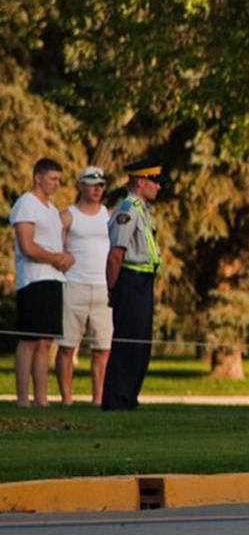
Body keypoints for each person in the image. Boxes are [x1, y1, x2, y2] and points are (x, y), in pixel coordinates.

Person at [101, 156, 165, 410]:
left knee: (140, 342)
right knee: (128, 341)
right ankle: (117, 399)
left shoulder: (141, 209)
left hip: (143, 280)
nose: (159, 186)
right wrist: (113, 289)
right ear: (141, 181)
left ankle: (128, 397)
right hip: (130, 279)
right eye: (155, 181)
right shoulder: (127, 210)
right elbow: (116, 254)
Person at [11, 157, 73, 408]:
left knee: (46, 342)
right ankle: (23, 398)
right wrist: (54, 258)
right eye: (52, 179)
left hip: (54, 279)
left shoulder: (51, 209)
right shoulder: (26, 204)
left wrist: (66, 257)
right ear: (38, 178)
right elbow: (27, 246)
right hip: (33, 279)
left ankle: (41, 398)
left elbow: (58, 244)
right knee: (29, 340)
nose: (57, 184)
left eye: (59, 179)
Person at [55, 167, 114, 406]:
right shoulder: (67, 216)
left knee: (103, 348)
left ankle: (98, 398)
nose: (97, 188)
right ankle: (67, 398)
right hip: (74, 285)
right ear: (80, 185)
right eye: (92, 184)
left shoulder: (108, 216)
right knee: (68, 345)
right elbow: (57, 249)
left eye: (101, 184)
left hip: (103, 288)